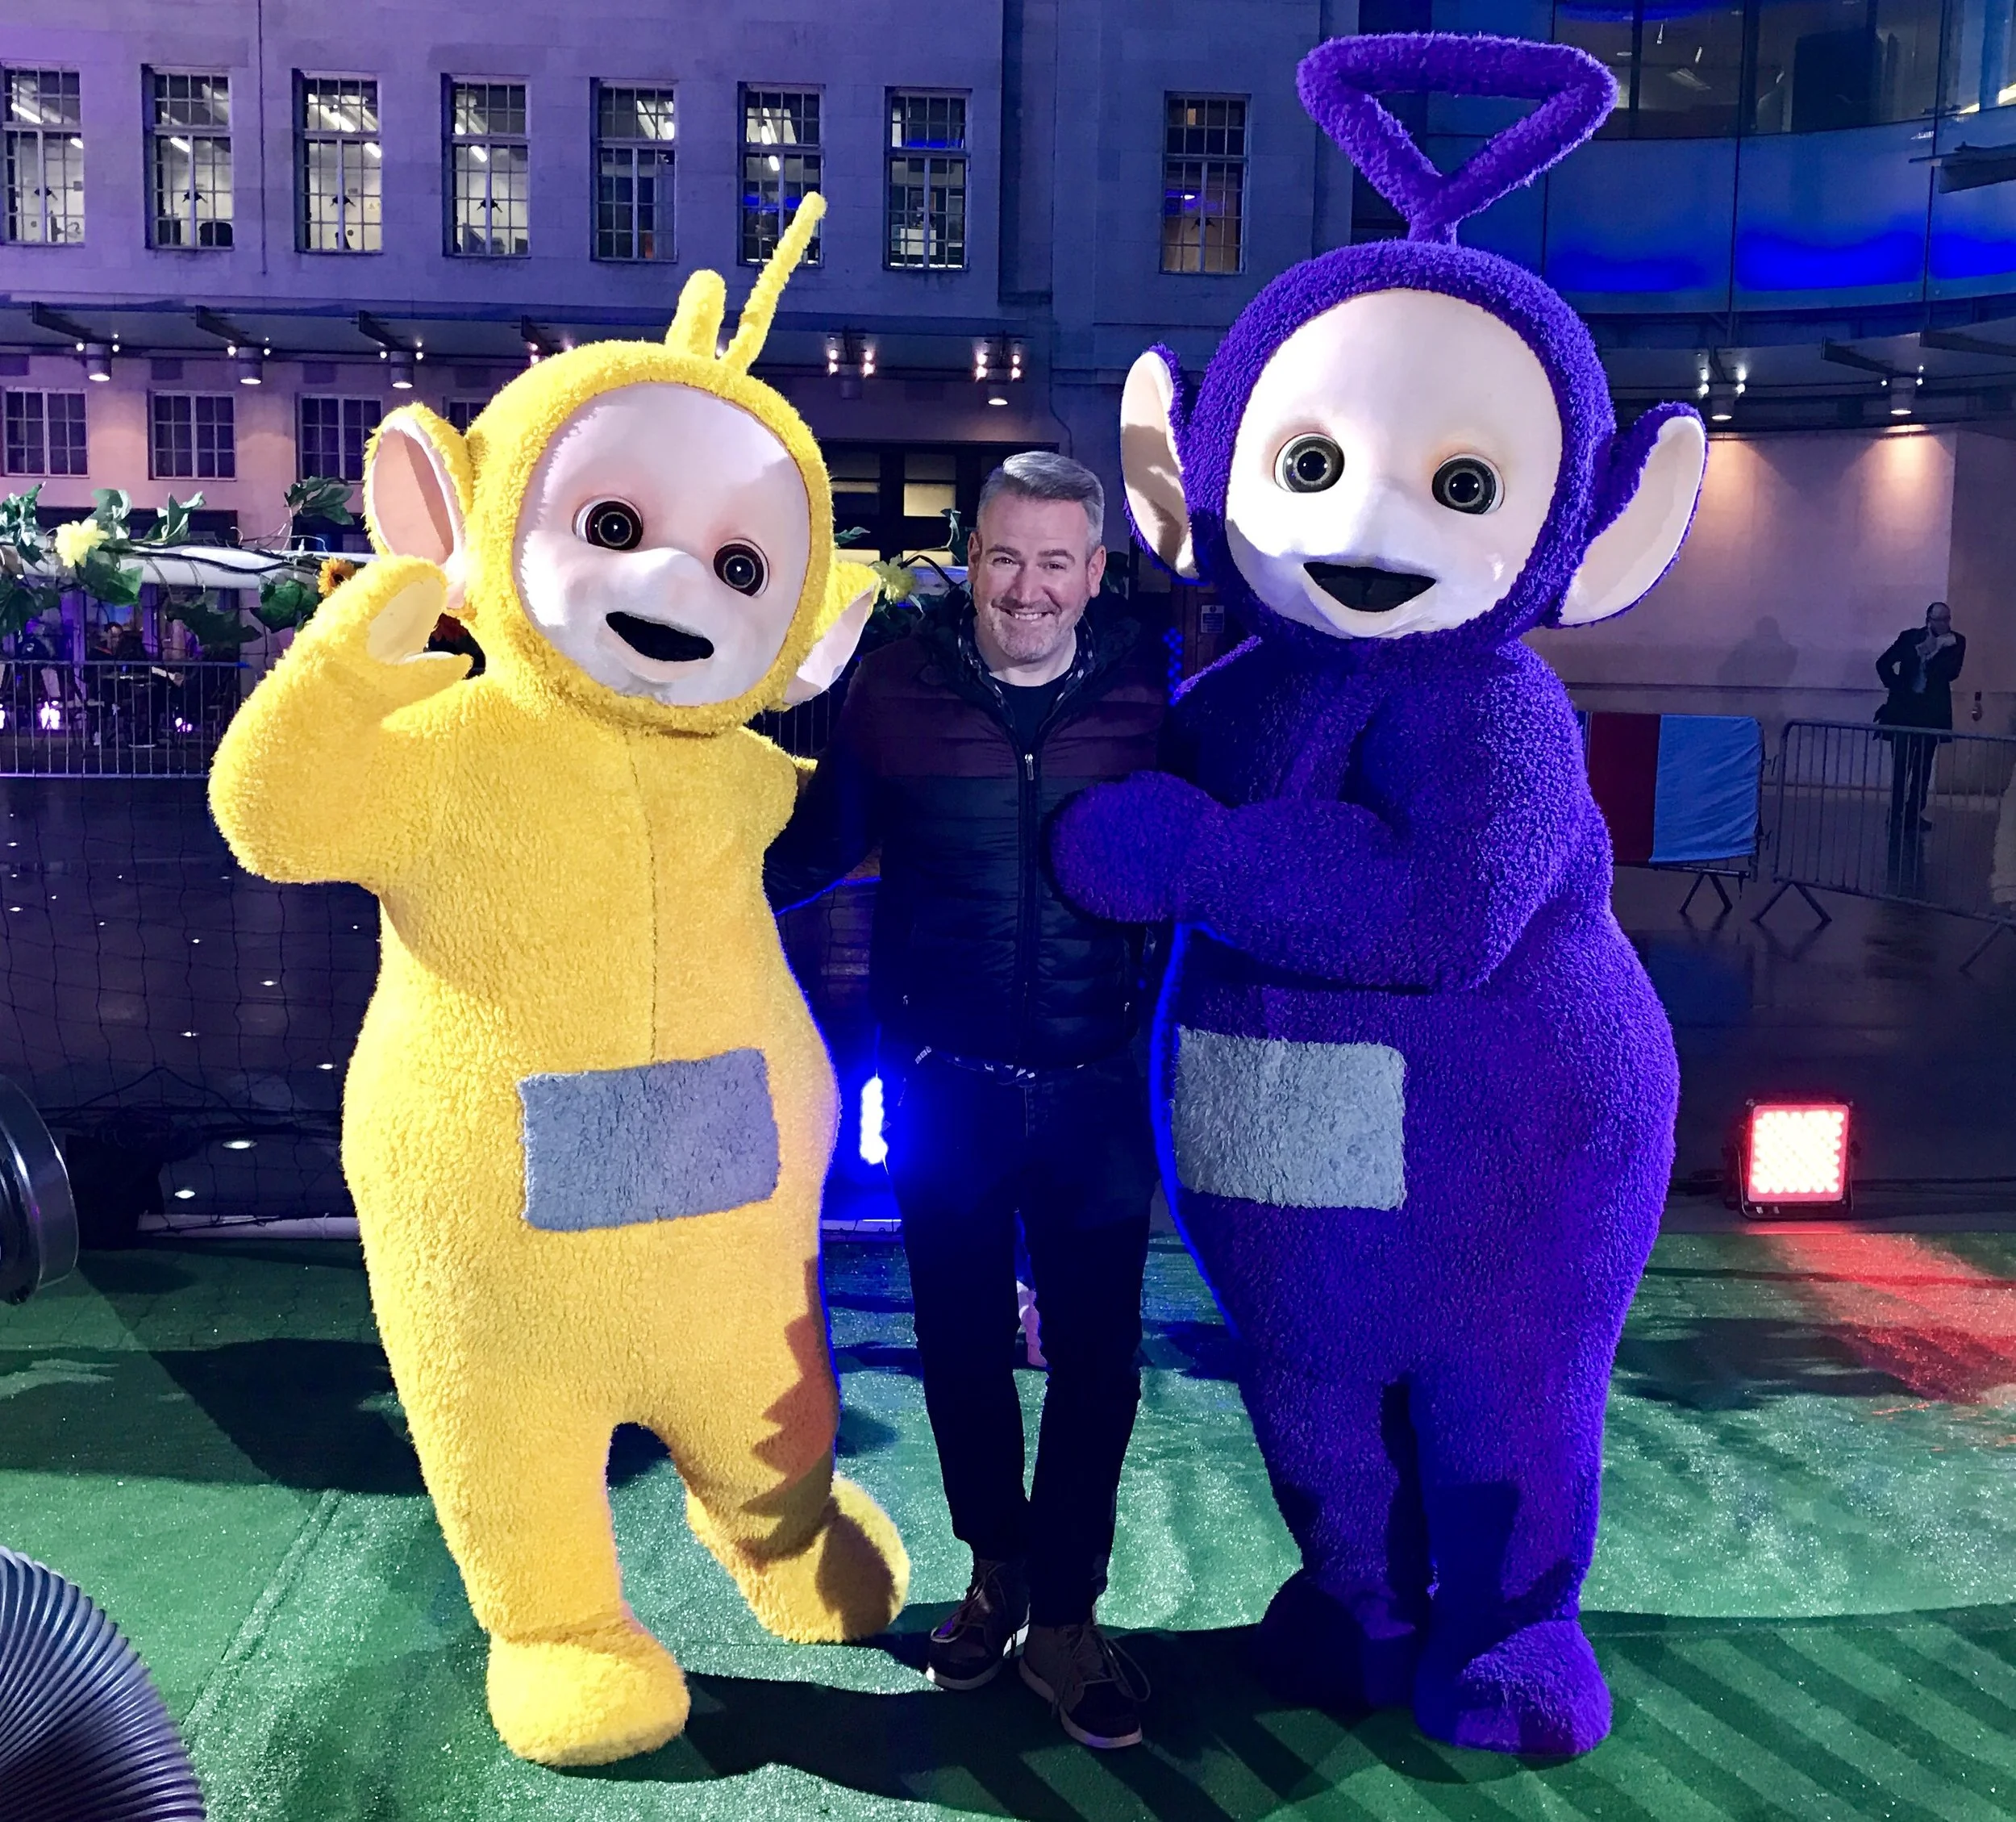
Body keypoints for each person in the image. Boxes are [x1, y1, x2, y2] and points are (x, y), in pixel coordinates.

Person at [765, 452, 1166, 1749]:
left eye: (1057, 561)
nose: (1028, 588)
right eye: (1006, 556)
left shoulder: (1148, 696)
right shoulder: (901, 684)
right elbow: (812, 851)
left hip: (1098, 1088)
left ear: (1094, 574)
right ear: (968, 554)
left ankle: (1068, 1612)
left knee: (1099, 1369)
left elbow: (1217, 847)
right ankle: (999, 1571)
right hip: (945, 1091)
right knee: (958, 1351)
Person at [1876, 602, 1966, 838]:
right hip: (1905, 712)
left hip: (1930, 714)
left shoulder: (1956, 642)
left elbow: (1951, 672)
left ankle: (1914, 813)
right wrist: (1897, 687)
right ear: (1929, 619)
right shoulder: (1910, 638)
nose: (1945, 623)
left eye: (1947, 618)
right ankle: (1895, 814)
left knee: (1923, 767)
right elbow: (1883, 663)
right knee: (1901, 767)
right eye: (1940, 619)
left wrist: (1933, 652)